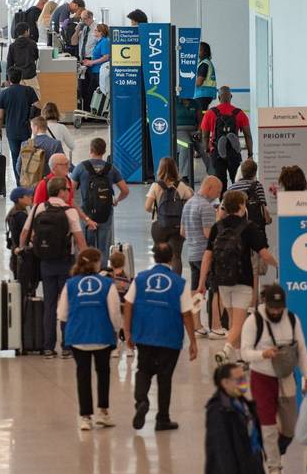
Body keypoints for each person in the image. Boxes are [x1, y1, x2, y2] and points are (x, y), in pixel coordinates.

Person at [240, 284, 307, 474]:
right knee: (268, 426)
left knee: (290, 429)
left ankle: (271, 450)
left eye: (279, 308)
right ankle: (274, 471)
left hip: (286, 377)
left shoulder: (292, 319)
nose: (276, 312)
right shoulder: (253, 321)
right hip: (261, 377)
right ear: (265, 303)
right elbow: (244, 353)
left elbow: (301, 349)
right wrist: (262, 354)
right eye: (272, 308)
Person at [196, 190, 278, 362]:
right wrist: (280, 265)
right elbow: (264, 254)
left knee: (234, 322)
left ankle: (240, 357)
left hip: (222, 281)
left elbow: (207, 256)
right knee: (239, 324)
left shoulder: (217, 227)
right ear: (242, 206)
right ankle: (225, 351)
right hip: (242, 280)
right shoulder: (249, 227)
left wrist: (202, 282)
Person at [125, 242, 198, 430]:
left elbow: (129, 304)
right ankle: (162, 418)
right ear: (172, 258)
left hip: (145, 333)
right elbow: (187, 313)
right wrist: (193, 341)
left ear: (155, 257)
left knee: (143, 370)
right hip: (169, 336)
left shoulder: (140, 279)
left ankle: (141, 401)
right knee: (165, 378)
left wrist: (128, 331)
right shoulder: (179, 283)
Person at [21, 176, 88, 357]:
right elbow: (80, 241)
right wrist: (88, 259)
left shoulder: (37, 208)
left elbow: (24, 233)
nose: (69, 192)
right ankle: (67, 346)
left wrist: (22, 251)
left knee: (49, 304)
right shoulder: (69, 211)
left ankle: (48, 346)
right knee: (67, 303)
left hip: (45, 262)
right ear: (61, 192)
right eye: (67, 190)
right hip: (66, 262)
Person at [59, 248, 124, 430]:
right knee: (103, 373)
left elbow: (62, 314)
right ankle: (103, 411)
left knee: (83, 375)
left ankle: (85, 417)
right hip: (102, 335)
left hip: (78, 336)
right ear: (97, 263)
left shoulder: (70, 284)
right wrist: (117, 331)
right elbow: (114, 312)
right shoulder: (107, 284)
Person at [204, 362, 270, 474]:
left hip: (252, 468)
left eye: (244, 377)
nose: (243, 382)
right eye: (238, 379)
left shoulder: (243, 404)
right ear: (224, 383)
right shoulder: (219, 411)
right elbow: (222, 448)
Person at [71, 137, 129, 263]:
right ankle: (102, 274)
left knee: (86, 246)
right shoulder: (111, 168)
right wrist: (116, 200)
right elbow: (125, 190)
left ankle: (88, 272)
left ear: (90, 149)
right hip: (106, 212)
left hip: (86, 213)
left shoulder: (81, 167)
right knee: (104, 247)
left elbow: (70, 190)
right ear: (104, 151)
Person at [182, 176, 223, 336]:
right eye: (218, 191)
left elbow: (182, 232)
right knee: (214, 289)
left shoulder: (188, 203)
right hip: (205, 255)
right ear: (209, 188)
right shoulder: (206, 207)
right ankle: (216, 326)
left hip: (192, 254)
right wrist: (218, 220)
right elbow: (208, 234)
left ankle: (197, 325)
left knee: (196, 290)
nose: (218, 194)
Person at [144, 157, 194, 274]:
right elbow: (191, 203)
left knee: (160, 255)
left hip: (159, 225)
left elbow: (147, 207)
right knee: (176, 256)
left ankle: (160, 280)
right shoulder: (181, 186)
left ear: (160, 170)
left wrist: (158, 211)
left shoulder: (156, 186)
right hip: (177, 226)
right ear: (175, 169)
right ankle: (175, 282)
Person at [200, 86, 253, 190]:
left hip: (216, 152)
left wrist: (207, 150)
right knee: (237, 181)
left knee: (220, 183)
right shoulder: (239, 113)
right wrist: (250, 154)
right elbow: (248, 135)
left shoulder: (210, 113)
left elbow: (205, 136)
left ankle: (222, 203)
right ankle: (236, 202)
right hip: (234, 152)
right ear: (231, 97)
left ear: (219, 97)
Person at [0, 67, 42, 180]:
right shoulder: (29, 90)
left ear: (9, 78)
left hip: (11, 130)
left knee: (15, 156)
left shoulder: (4, 93)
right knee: (26, 156)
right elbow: (38, 106)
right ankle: (27, 180)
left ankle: (18, 182)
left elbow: (0, 117)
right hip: (26, 128)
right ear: (21, 78)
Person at [81, 23, 111, 110]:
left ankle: (95, 111)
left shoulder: (105, 41)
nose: (94, 31)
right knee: (90, 92)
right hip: (95, 70)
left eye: (96, 30)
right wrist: (88, 61)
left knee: (93, 92)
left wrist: (92, 62)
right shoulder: (99, 42)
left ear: (101, 32)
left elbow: (106, 57)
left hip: (100, 71)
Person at [6, 22, 40, 88]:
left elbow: (9, 63)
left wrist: (8, 79)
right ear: (26, 31)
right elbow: (36, 57)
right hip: (31, 75)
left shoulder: (12, 46)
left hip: (18, 77)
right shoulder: (32, 44)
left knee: (20, 97)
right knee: (35, 96)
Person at [194, 41, 219, 115]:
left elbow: (199, 82)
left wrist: (188, 86)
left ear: (204, 51)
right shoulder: (206, 62)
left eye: (199, 50)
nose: (197, 52)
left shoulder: (204, 64)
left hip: (202, 93)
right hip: (207, 93)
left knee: (201, 117)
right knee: (203, 116)